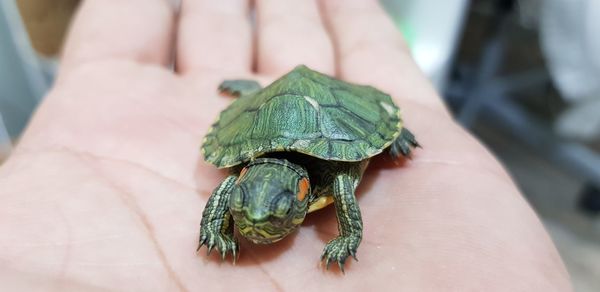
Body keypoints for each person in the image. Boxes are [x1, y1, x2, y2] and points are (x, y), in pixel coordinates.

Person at [0, 0, 571, 290]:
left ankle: (282, 97)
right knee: (267, 110)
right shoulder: (239, 187)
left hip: (332, 112)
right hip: (265, 120)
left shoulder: (331, 180)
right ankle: (258, 92)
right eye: (247, 209)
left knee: (373, 143)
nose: (255, 223)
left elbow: (343, 183)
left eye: (269, 217)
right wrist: (212, 227)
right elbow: (227, 193)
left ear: (302, 197)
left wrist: (350, 231)